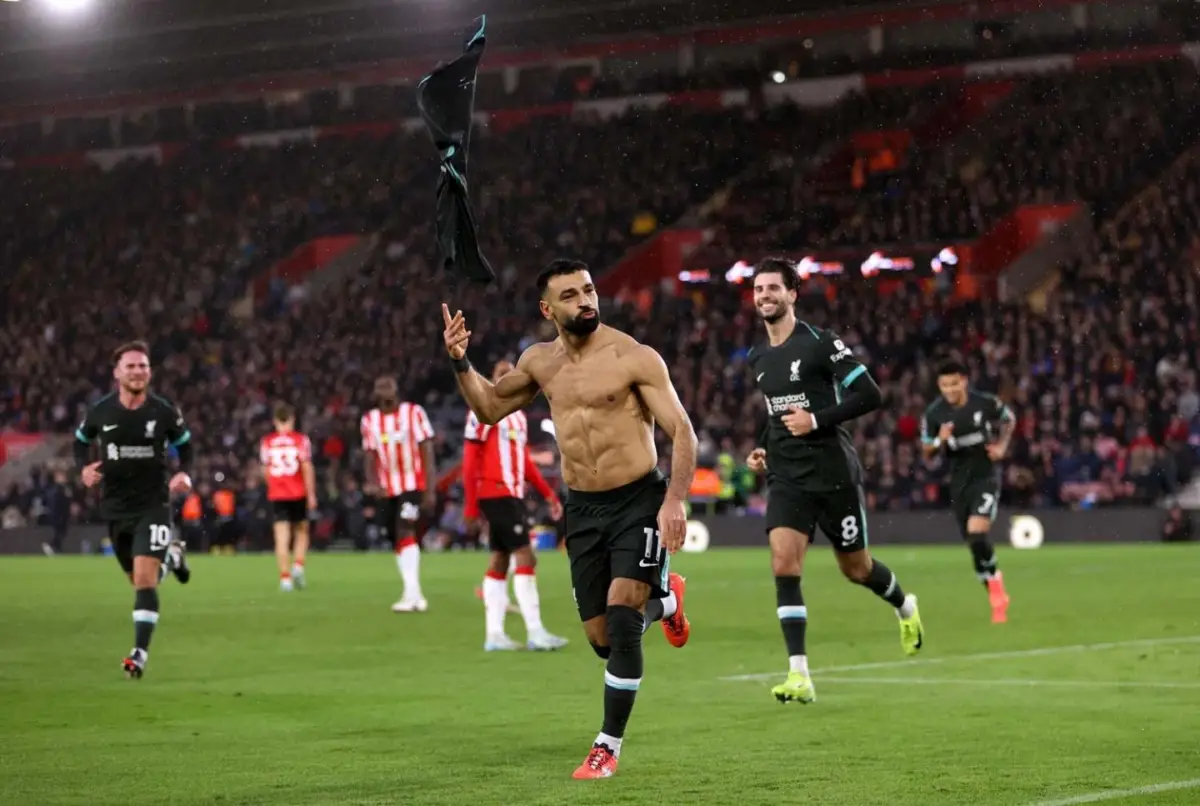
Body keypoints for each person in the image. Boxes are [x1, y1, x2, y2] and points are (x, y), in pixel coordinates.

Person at [442, 258, 695, 779]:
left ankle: (607, 746)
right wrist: (460, 363)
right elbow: (490, 409)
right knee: (603, 640)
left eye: (589, 290)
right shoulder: (538, 362)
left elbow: (683, 431)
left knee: (624, 619)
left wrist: (674, 498)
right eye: (571, 295)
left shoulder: (633, 356)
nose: (586, 301)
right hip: (583, 508)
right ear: (547, 308)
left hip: (638, 500)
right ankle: (667, 598)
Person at [745, 258, 924, 706]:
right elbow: (776, 414)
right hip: (787, 476)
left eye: (772, 288)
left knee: (856, 569)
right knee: (784, 564)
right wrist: (764, 445)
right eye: (758, 289)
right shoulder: (758, 357)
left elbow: (871, 395)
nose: (764, 295)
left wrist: (818, 419)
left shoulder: (822, 344)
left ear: (792, 294)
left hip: (833, 474)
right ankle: (799, 674)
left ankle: (905, 605)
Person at [73, 341, 194, 679]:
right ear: (117, 373)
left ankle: (138, 654)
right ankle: (172, 558)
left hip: (153, 505)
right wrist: (82, 469)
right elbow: (80, 441)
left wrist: (184, 471)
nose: (138, 371)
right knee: (141, 579)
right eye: (131, 366)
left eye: (143, 366)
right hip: (114, 507)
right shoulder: (101, 412)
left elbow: (186, 446)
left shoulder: (163, 411)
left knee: (144, 581)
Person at [463, 359, 570, 652]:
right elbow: (470, 459)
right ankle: (535, 632)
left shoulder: (518, 418)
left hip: (511, 494)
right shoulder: (483, 412)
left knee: (499, 559)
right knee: (526, 556)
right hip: (495, 493)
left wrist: (548, 494)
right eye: (499, 374)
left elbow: (523, 462)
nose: (506, 378)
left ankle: (494, 635)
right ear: (491, 381)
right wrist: (470, 507)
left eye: (511, 374)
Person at [921, 360, 1014, 622]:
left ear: (964, 381)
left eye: (953, 383)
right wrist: (939, 438)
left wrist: (1002, 446)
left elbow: (1009, 419)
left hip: (984, 479)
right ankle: (995, 588)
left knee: (977, 532)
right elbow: (926, 451)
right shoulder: (934, 414)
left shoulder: (984, 403)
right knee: (974, 545)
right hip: (958, 484)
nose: (949, 389)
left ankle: (996, 591)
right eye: (944, 385)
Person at [361, 376, 436, 612]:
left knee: (406, 529)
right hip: (387, 489)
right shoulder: (369, 420)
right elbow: (370, 455)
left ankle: (411, 594)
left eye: (389, 386)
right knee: (396, 537)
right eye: (380, 387)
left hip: (412, 485)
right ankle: (414, 593)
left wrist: (429, 489)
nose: (385, 391)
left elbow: (427, 450)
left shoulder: (413, 413)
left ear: (397, 390)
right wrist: (373, 483)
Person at [259, 402, 318, 592]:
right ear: (292, 419)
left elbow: (265, 469)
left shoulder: (267, 442)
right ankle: (298, 565)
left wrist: (273, 485)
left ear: (275, 421)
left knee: (281, 538)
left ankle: (285, 579)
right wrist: (311, 494)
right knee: (302, 531)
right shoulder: (301, 440)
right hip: (297, 492)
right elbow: (306, 466)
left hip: (277, 493)